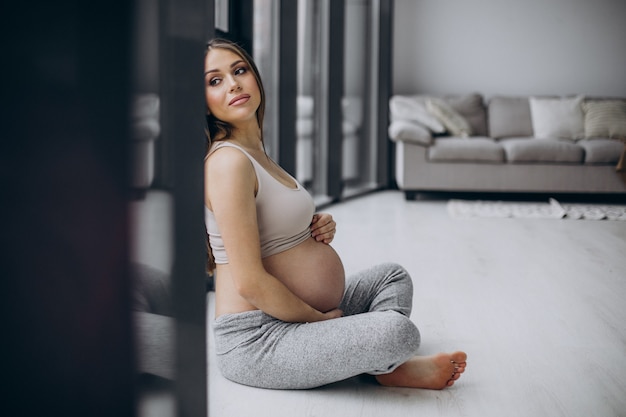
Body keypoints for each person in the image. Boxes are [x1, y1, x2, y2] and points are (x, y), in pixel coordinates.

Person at [203, 38, 467, 390]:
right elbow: (249, 282)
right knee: (398, 333)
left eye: (239, 70)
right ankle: (384, 366)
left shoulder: (255, 153)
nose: (233, 83)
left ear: (254, 77)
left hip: (297, 316)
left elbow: (274, 235)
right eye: (215, 80)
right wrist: (319, 321)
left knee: (392, 277)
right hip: (258, 338)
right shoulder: (228, 162)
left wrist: (312, 229)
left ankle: (374, 364)